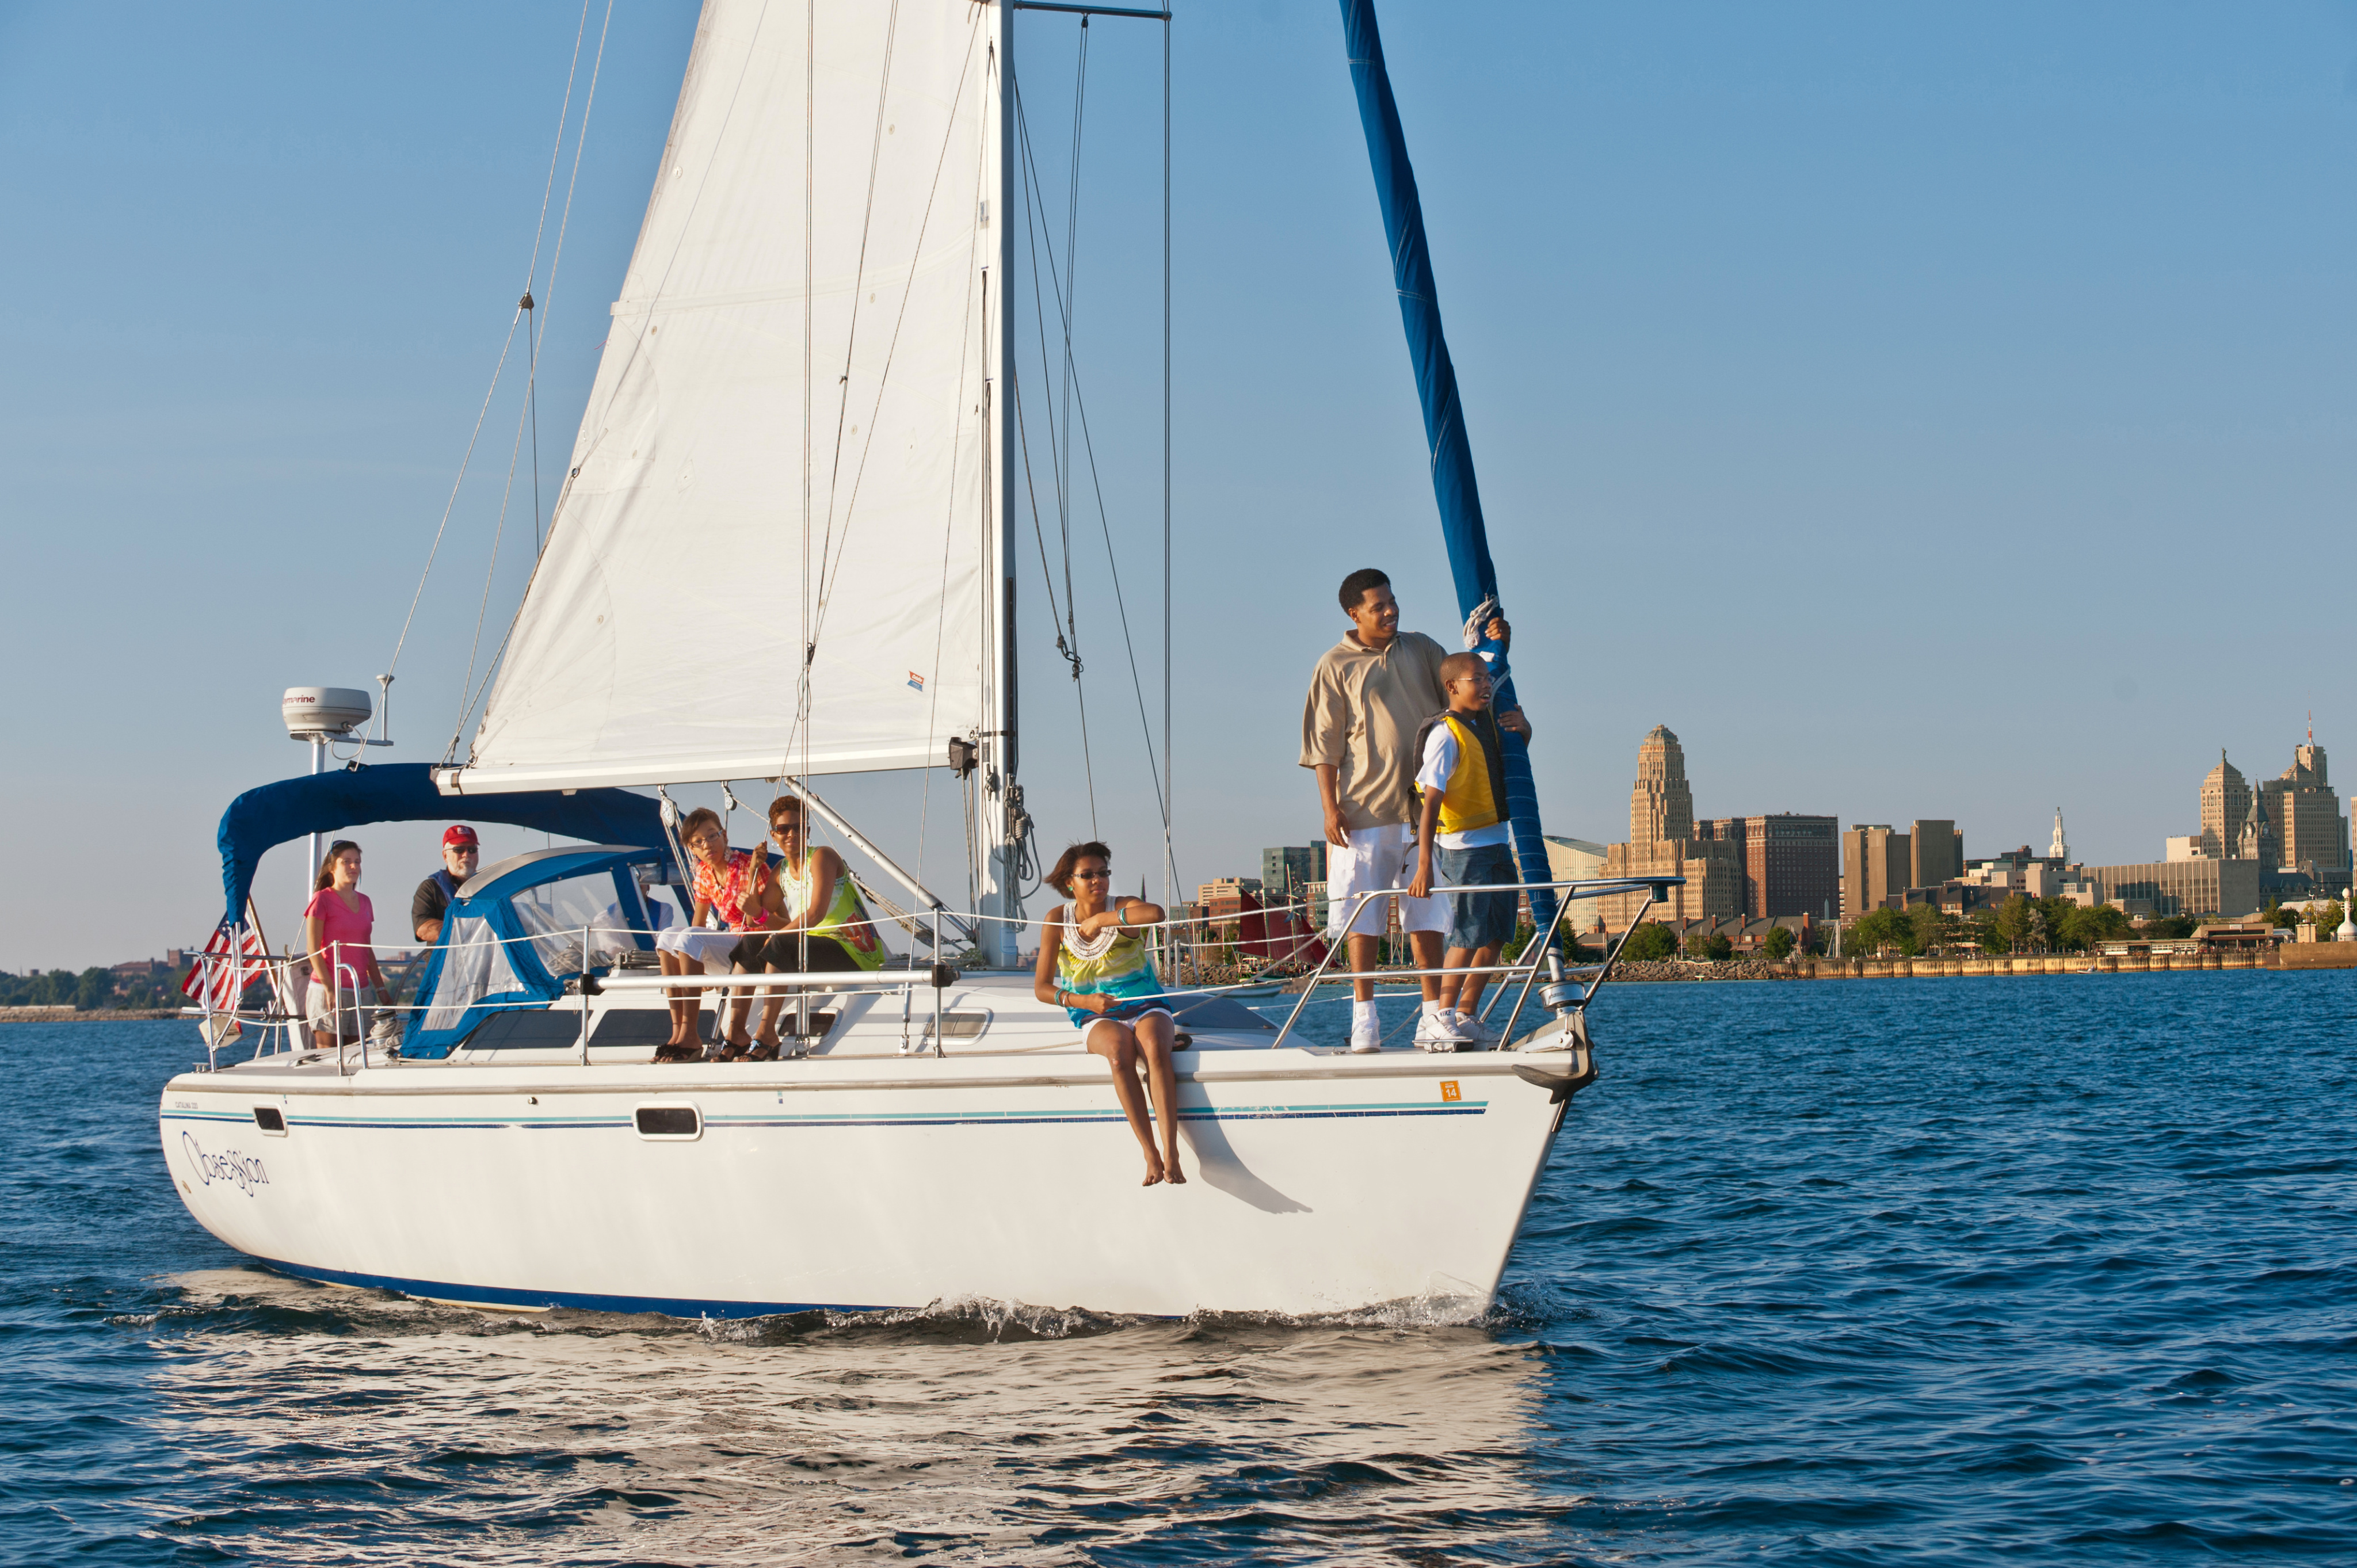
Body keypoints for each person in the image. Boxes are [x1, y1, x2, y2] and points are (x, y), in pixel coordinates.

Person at [1300, 567, 1529, 1053]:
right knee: (1364, 917)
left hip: (1425, 808)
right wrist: (1329, 807)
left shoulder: (1422, 648)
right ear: (1354, 613)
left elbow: (1466, 681)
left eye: (1392, 601)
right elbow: (1323, 744)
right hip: (1362, 808)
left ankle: (1434, 1016)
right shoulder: (1334, 664)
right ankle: (1365, 1017)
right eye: (1379, 606)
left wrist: (1496, 644)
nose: (1390, 611)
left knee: (1427, 915)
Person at [1032, 842, 1185, 1187]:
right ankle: (1150, 1153)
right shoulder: (1057, 920)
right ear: (1070, 882)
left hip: (1145, 1004)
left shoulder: (1123, 907)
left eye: (1103, 873)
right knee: (1119, 1055)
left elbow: (1156, 913)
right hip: (1094, 1012)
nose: (1098, 880)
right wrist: (1084, 1002)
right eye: (1088, 875)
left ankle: (1172, 1151)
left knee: (1155, 1049)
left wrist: (1103, 919)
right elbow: (1042, 988)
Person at [1407, 653, 1517, 1050]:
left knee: (1498, 932)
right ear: (1453, 686)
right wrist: (1424, 866)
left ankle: (1466, 1014)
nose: (1487, 685)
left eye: (1488, 679)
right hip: (1464, 850)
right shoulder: (1445, 734)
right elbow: (1431, 804)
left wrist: (1528, 728)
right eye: (1478, 679)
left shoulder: (1483, 727)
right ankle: (1437, 1017)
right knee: (1467, 934)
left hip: (1498, 844)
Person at [729, 795, 886, 1059]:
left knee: (779, 942)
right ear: (773, 835)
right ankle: (736, 1034)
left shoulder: (822, 857)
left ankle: (767, 1034)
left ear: (808, 831)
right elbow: (755, 916)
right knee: (749, 944)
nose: (792, 833)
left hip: (849, 948)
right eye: (783, 829)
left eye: (798, 827)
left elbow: (815, 915)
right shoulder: (780, 871)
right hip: (810, 944)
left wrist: (776, 934)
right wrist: (755, 868)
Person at [651, 807, 775, 1062]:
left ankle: (690, 1035)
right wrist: (696, 960)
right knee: (667, 937)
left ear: (724, 835)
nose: (707, 845)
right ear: (692, 850)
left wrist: (693, 946)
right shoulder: (704, 874)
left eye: (712, 836)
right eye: (698, 843)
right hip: (731, 944)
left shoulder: (748, 865)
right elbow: (696, 924)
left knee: (689, 939)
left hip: (755, 944)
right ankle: (679, 1032)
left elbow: (769, 911)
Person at [304, 839, 388, 1050]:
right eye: (346, 862)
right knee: (330, 1058)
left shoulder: (366, 902)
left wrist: (380, 989)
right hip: (328, 990)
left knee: (359, 1056)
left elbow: (366, 951)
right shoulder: (321, 900)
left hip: (361, 991)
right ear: (332, 868)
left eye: (357, 862)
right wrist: (330, 988)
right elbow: (313, 949)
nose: (353, 867)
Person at [411, 825, 481, 944]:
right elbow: (422, 929)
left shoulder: (489, 887)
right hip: (445, 961)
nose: (466, 855)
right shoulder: (430, 888)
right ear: (445, 856)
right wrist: (462, 930)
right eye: (459, 850)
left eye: (472, 850)